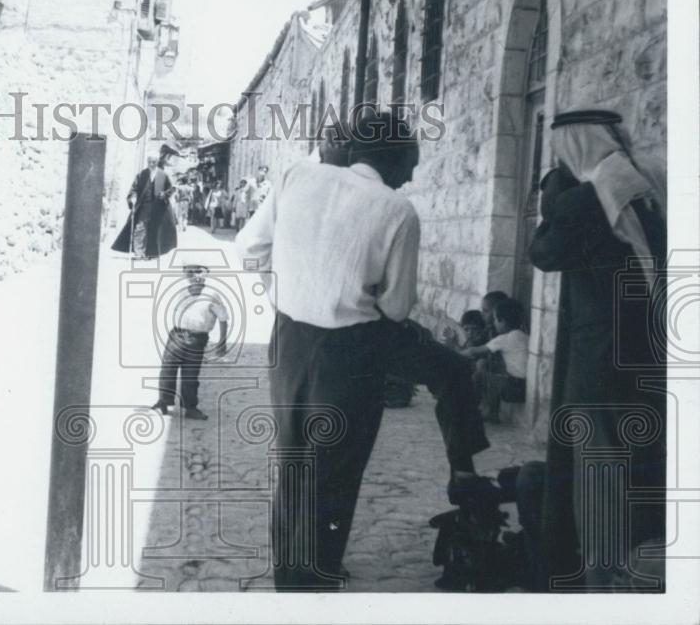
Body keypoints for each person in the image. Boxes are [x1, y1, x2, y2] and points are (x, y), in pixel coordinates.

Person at [236, 112, 489, 590]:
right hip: (353, 349)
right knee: (335, 471)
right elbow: (396, 306)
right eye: (410, 165)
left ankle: (291, 577)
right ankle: (314, 583)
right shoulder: (397, 209)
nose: (410, 177)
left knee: (294, 459)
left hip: (290, 339)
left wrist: (291, 291)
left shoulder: (295, 176)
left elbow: (250, 246)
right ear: (393, 159)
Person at [528, 109, 666, 591]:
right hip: (650, 352)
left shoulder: (588, 197)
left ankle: (603, 584)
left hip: (600, 362)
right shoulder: (649, 175)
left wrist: (554, 191)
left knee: (600, 479)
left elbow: (543, 252)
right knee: (643, 468)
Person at [151, 265, 228, 421]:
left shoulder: (212, 295)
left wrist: (222, 341)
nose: (196, 276)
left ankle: (190, 408)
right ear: (186, 275)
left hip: (197, 339)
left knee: (190, 375)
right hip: (176, 336)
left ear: (207, 274)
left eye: (200, 271)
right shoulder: (181, 291)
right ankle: (163, 402)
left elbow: (223, 318)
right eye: (191, 272)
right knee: (167, 370)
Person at [460, 297, 528, 423]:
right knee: (492, 374)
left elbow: (473, 351)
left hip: (514, 389)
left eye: (496, 320)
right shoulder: (524, 336)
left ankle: (467, 411)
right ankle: (492, 413)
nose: (494, 323)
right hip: (526, 387)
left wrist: (453, 353)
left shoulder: (504, 339)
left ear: (502, 322)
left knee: (480, 376)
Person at [111, 140, 181, 259]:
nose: (151, 164)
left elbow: (172, 189)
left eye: (154, 162)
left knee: (155, 229)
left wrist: (165, 194)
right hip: (144, 206)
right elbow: (134, 189)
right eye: (149, 162)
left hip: (158, 207)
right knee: (140, 228)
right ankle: (139, 253)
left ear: (157, 162)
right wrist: (132, 197)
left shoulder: (163, 175)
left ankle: (152, 253)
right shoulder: (141, 175)